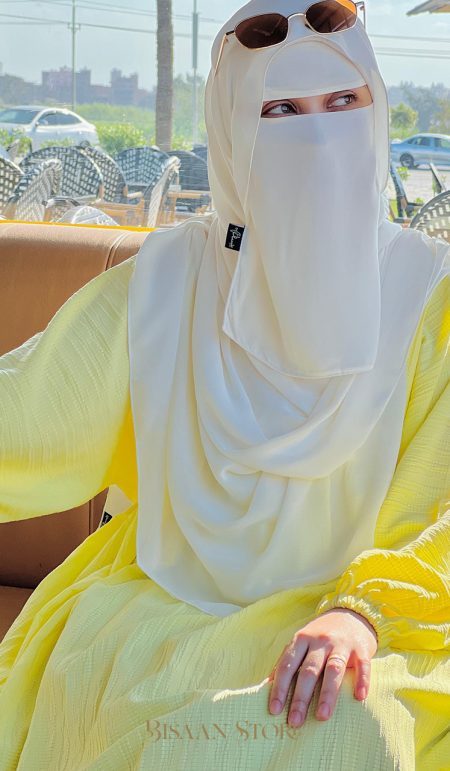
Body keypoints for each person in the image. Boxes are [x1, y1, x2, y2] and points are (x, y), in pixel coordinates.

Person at [0, 0, 449, 768]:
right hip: (170, 590)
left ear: (375, 111)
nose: (319, 135)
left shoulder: (430, 291)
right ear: (234, 130)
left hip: (364, 610)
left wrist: (364, 613)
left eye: (344, 100)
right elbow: (34, 409)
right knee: (119, 698)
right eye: (282, 110)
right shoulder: (169, 280)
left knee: (351, 726)